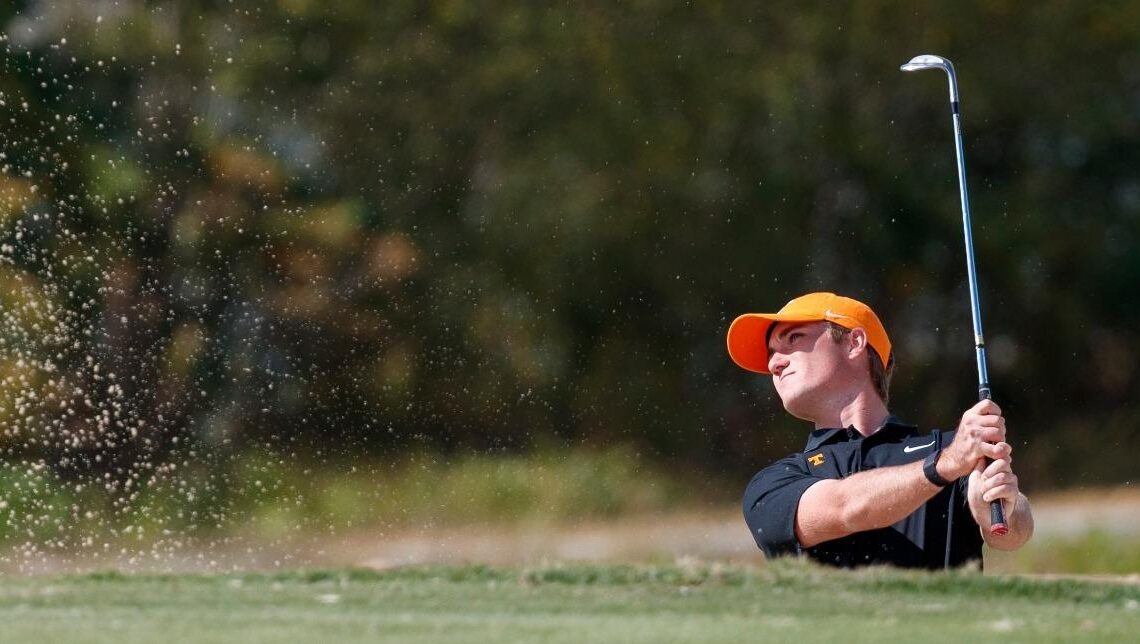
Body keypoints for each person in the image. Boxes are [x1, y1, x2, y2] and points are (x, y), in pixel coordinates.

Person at [727, 292, 1033, 568]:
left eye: (793, 338)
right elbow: (845, 508)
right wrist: (945, 466)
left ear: (854, 343)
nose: (774, 364)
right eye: (771, 353)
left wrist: (998, 506)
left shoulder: (952, 448)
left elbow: (1014, 534)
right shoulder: (774, 482)